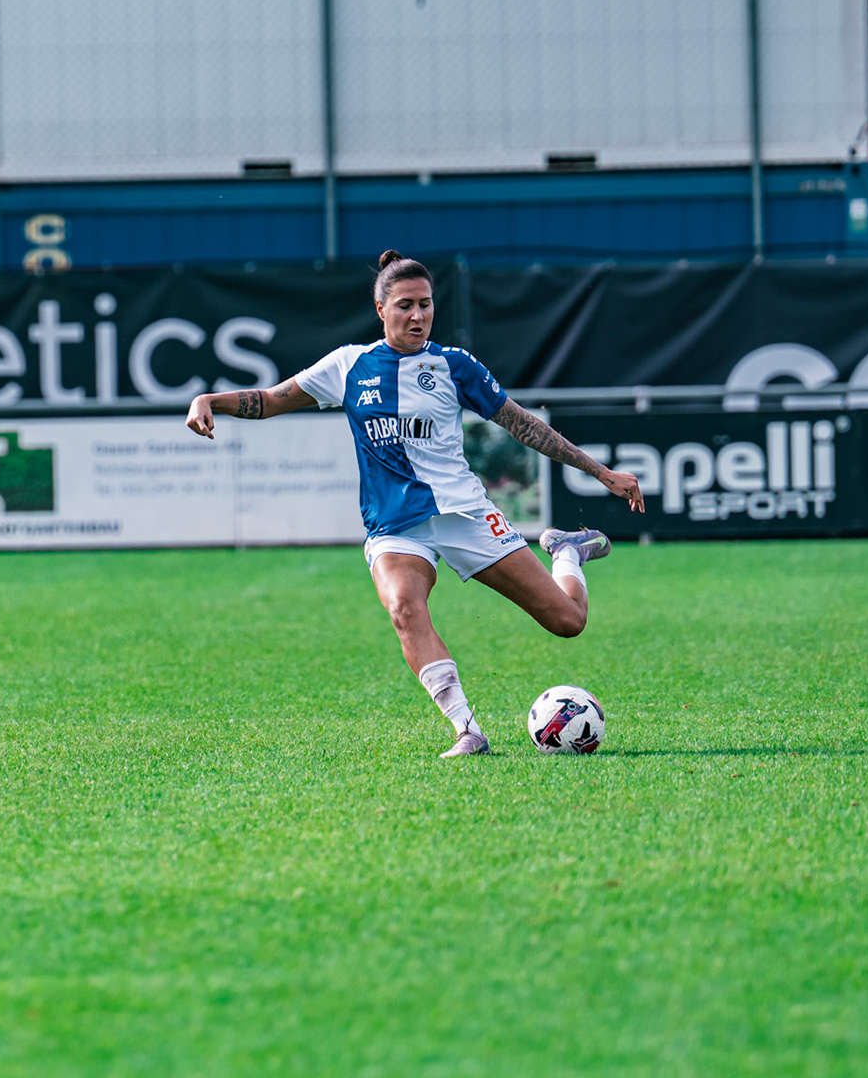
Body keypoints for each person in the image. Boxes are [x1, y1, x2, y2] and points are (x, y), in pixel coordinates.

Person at [185, 250, 644, 757]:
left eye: (426, 305)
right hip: (395, 527)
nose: (418, 316)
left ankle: (566, 555)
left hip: (464, 514)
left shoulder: (453, 365)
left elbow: (523, 425)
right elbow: (270, 400)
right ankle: (467, 729)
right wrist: (210, 401)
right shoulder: (348, 365)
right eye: (405, 305)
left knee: (567, 623)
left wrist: (600, 473)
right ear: (380, 309)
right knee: (405, 607)